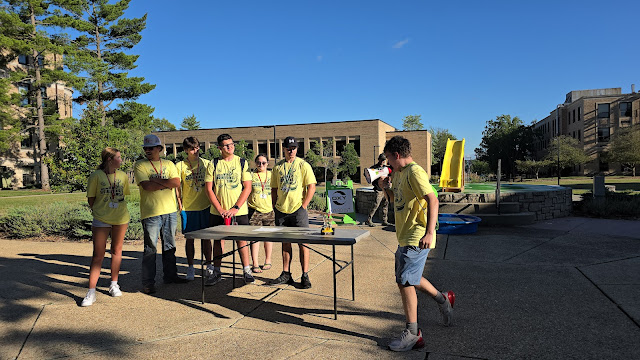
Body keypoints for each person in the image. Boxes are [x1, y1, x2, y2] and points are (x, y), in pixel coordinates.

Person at [381, 135, 454, 352]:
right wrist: (386, 187)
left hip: (417, 235)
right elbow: (396, 200)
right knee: (411, 277)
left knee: (405, 281)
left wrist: (430, 232)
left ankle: (413, 334)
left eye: (388, 159)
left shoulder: (414, 171)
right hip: (404, 235)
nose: (388, 164)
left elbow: (433, 198)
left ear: (397, 155)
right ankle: (443, 300)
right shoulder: (400, 174)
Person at [134, 134, 188, 295]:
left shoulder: (169, 163)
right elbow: (146, 186)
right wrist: (166, 183)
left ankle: (170, 276)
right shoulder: (140, 165)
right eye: (146, 148)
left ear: (159, 148)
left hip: (170, 211)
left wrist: (155, 180)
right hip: (151, 212)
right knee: (150, 249)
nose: (148, 150)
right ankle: (148, 283)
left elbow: (176, 183)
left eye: (151, 148)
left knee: (170, 246)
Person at [81, 148, 130, 306]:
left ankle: (114, 284)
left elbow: (123, 196)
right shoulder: (96, 176)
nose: (121, 160)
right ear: (109, 159)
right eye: (118, 157)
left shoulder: (122, 175)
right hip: (101, 219)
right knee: (98, 255)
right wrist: (101, 211)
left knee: (117, 250)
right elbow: (91, 199)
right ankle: (91, 292)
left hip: (121, 218)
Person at [204, 134, 254, 285]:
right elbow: (209, 189)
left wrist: (235, 208)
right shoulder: (213, 164)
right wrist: (219, 209)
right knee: (218, 242)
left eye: (231, 144)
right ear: (219, 148)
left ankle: (246, 270)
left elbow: (247, 187)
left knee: (242, 241)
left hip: (239, 211)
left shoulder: (241, 162)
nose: (230, 147)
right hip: (218, 212)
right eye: (226, 145)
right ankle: (217, 272)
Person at [269, 136, 316, 289]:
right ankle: (286, 273)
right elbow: (274, 189)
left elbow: (311, 186)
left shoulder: (303, 165)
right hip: (282, 211)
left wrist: (304, 205)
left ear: (297, 149)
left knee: (303, 243)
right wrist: (275, 205)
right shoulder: (277, 167)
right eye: (288, 148)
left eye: (294, 148)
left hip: (298, 211)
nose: (291, 151)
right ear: (284, 149)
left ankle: (305, 274)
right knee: (285, 243)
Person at [176, 137, 212, 281]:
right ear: (185, 150)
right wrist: (180, 205)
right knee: (190, 239)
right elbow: (177, 188)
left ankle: (209, 266)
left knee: (207, 238)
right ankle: (190, 267)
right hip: (189, 208)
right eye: (192, 148)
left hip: (206, 206)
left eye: (197, 147)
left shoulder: (207, 163)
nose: (195, 151)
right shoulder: (180, 166)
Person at [247, 154, 274, 273]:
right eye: (258, 162)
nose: (261, 165)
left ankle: (268, 260)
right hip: (255, 210)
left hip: (269, 209)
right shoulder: (251, 176)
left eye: (263, 163)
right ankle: (255, 263)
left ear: (267, 163)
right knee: (254, 238)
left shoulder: (272, 175)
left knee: (268, 237)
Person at [365, 153, 390, 227]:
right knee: (375, 205)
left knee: (385, 205)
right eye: (382, 159)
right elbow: (368, 175)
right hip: (378, 190)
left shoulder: (386, 168)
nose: (383, 161)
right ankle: (369, 220)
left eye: (384, 160)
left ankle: (384, 221)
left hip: (385, 189)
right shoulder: (374, 168)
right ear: (379, 159)